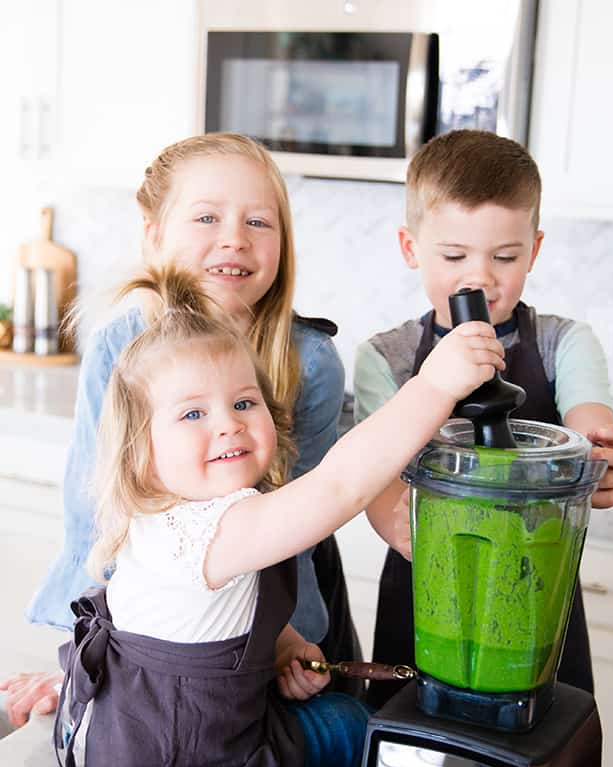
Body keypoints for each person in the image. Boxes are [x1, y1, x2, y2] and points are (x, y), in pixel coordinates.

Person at [54, 263, 506, 767]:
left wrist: (284, 644)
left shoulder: (202, 510)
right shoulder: (206, 529)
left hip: (143, 740)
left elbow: (209, 623)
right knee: (349, 725)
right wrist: (435, 387)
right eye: (193, 413)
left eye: (244, 402)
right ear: (141, 454)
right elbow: (339, 485)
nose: (229, 426)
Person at [1, 131, 359, 728]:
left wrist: (284, 640)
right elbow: (97, 516)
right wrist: (85, 658)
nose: (235, 239)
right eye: (207, 217)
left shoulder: (312, 361)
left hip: (275, 627)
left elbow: (300, 518)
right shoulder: (118, 348)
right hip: (146, 633)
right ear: (155, 235)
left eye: (258, 222)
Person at [353, 129, 613, 707]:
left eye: (505, 256)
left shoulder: (565, 344)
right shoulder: (386, 358)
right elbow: (378, 484)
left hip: (537, 589)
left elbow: (589, 427)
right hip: (425, 591)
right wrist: (448, 556)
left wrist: (604, 457)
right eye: (454, 256)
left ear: (534, 249)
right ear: (411, 248)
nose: (479, 277)